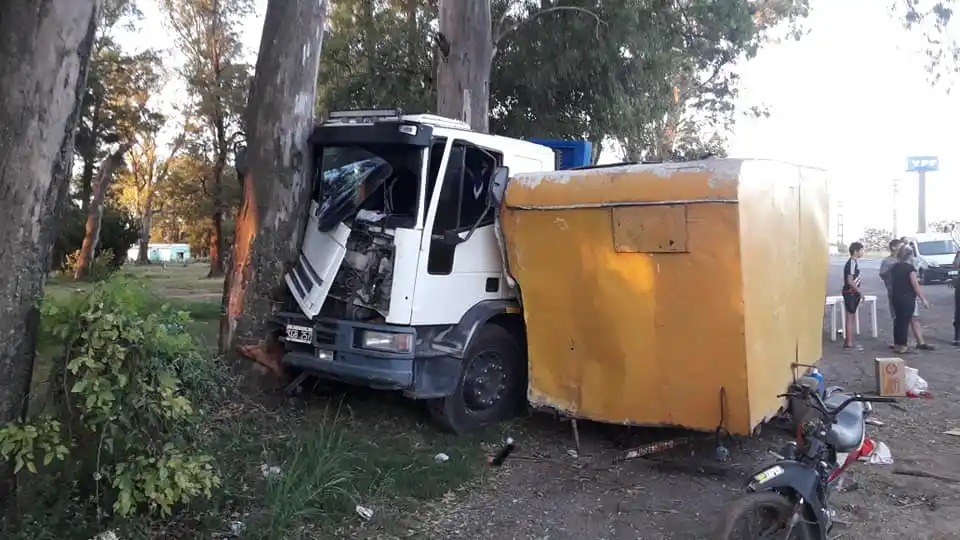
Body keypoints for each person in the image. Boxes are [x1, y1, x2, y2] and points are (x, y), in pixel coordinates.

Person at [890, 245, 930, 354]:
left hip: (896, 296)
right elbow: (915, 285)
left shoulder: (894, 267)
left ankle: (897, 344)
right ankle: (903, 345)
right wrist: (923, 299)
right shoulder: (909, 268)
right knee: (905, 322)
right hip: (907, 297)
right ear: (909, 255)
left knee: (898, 321)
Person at [842, 242, 864, 350]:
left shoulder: (854, 263)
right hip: (850, 292)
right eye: (861, 250)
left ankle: (849, 340)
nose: (862, 253)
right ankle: (849, 341)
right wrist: (859, 291)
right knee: (850, 317)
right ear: (856, 251)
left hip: (851, 292)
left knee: (851, 316)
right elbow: (850, 280)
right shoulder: (852, 263)